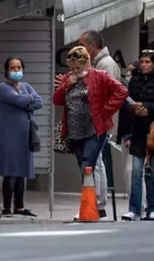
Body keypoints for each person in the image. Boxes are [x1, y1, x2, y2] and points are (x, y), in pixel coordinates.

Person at [54, 45, 131, 217]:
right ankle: (90, 202)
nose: (75, 71)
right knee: (83, 166)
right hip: (74, 130)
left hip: (94, 129)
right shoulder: (69, 78)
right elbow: (57, 100)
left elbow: (122, 91)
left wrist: (105, 111)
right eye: (72, 68)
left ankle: (95, 204)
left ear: (87, 63)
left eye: (79, 68)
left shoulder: (99, 76)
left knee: (90, 163)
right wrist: (66, 85)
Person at [78, 31, 123, 214]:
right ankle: (97, 201)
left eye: (82, 44)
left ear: (91, 46)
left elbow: (111, 93)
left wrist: (102, 113)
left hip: (98, 122)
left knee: (94, 163)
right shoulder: (97, 64)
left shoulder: (106, 65)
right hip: (93, 120)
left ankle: (98, 202)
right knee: (95, 162)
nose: (80, 48)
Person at [0, 56, 43, 217]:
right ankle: (7, 207)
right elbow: (19, 100)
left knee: (22, 170)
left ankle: (20, 207)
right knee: (11, 170)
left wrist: (27, 100)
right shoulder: (3, 88)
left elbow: (39, 102)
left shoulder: (26, 86)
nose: (16, 71)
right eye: (13, 68)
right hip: (9, 135)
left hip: (25, 135)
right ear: (7, 71)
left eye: (19, 68)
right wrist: (28, 99)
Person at [120, 50, 154, 220]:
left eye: (147, 61)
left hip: (153, 130)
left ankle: (152, 207)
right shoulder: (134, 81)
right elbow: (126, 103)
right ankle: (134, 208)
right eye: (142, 61)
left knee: (151, 172)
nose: (144, 65)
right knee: (136, 171)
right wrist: (135, 108)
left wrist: (146, 106)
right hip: (138, 131)